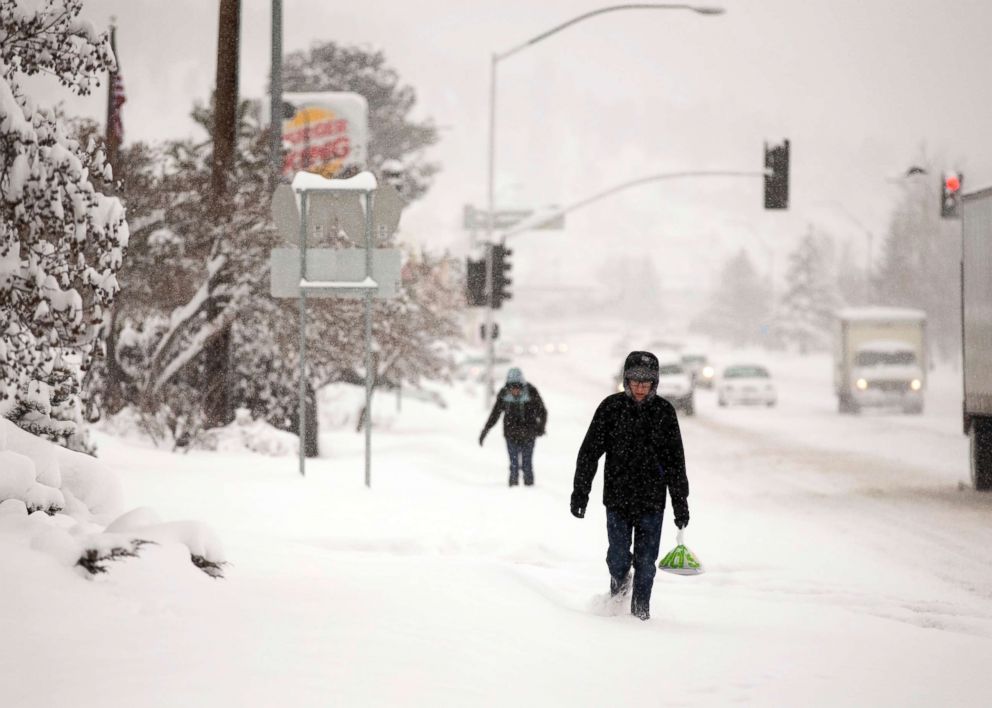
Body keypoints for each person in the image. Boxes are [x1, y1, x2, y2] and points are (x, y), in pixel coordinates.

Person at [570, 351, 690, 620]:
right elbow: (589, 452)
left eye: (645, 383)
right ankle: (618, 598)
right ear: (626, 380)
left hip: (652, 501)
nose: (639, 388)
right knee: (618, 558)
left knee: (646, 564)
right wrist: (581, 492)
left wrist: (680, 503)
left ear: (654, 383)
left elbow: (676, 463)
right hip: (617, 499)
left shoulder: (664, 413)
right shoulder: (610, 408)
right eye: (634, 382)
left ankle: (640, 615)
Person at [479, 368, 548, 486]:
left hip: (529, 435)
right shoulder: (503, 394)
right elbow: (495, 415)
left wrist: (540, 427)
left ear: (522, 385)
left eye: (518, 387)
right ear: (508, 386)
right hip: (511, 435)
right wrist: (485, 431)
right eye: (512, 387)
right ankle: (513, 491)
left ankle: (530, 491)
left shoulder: (531, 392)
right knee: (513, 466)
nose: (515, 390)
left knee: (527, 465)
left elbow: (542, 412)